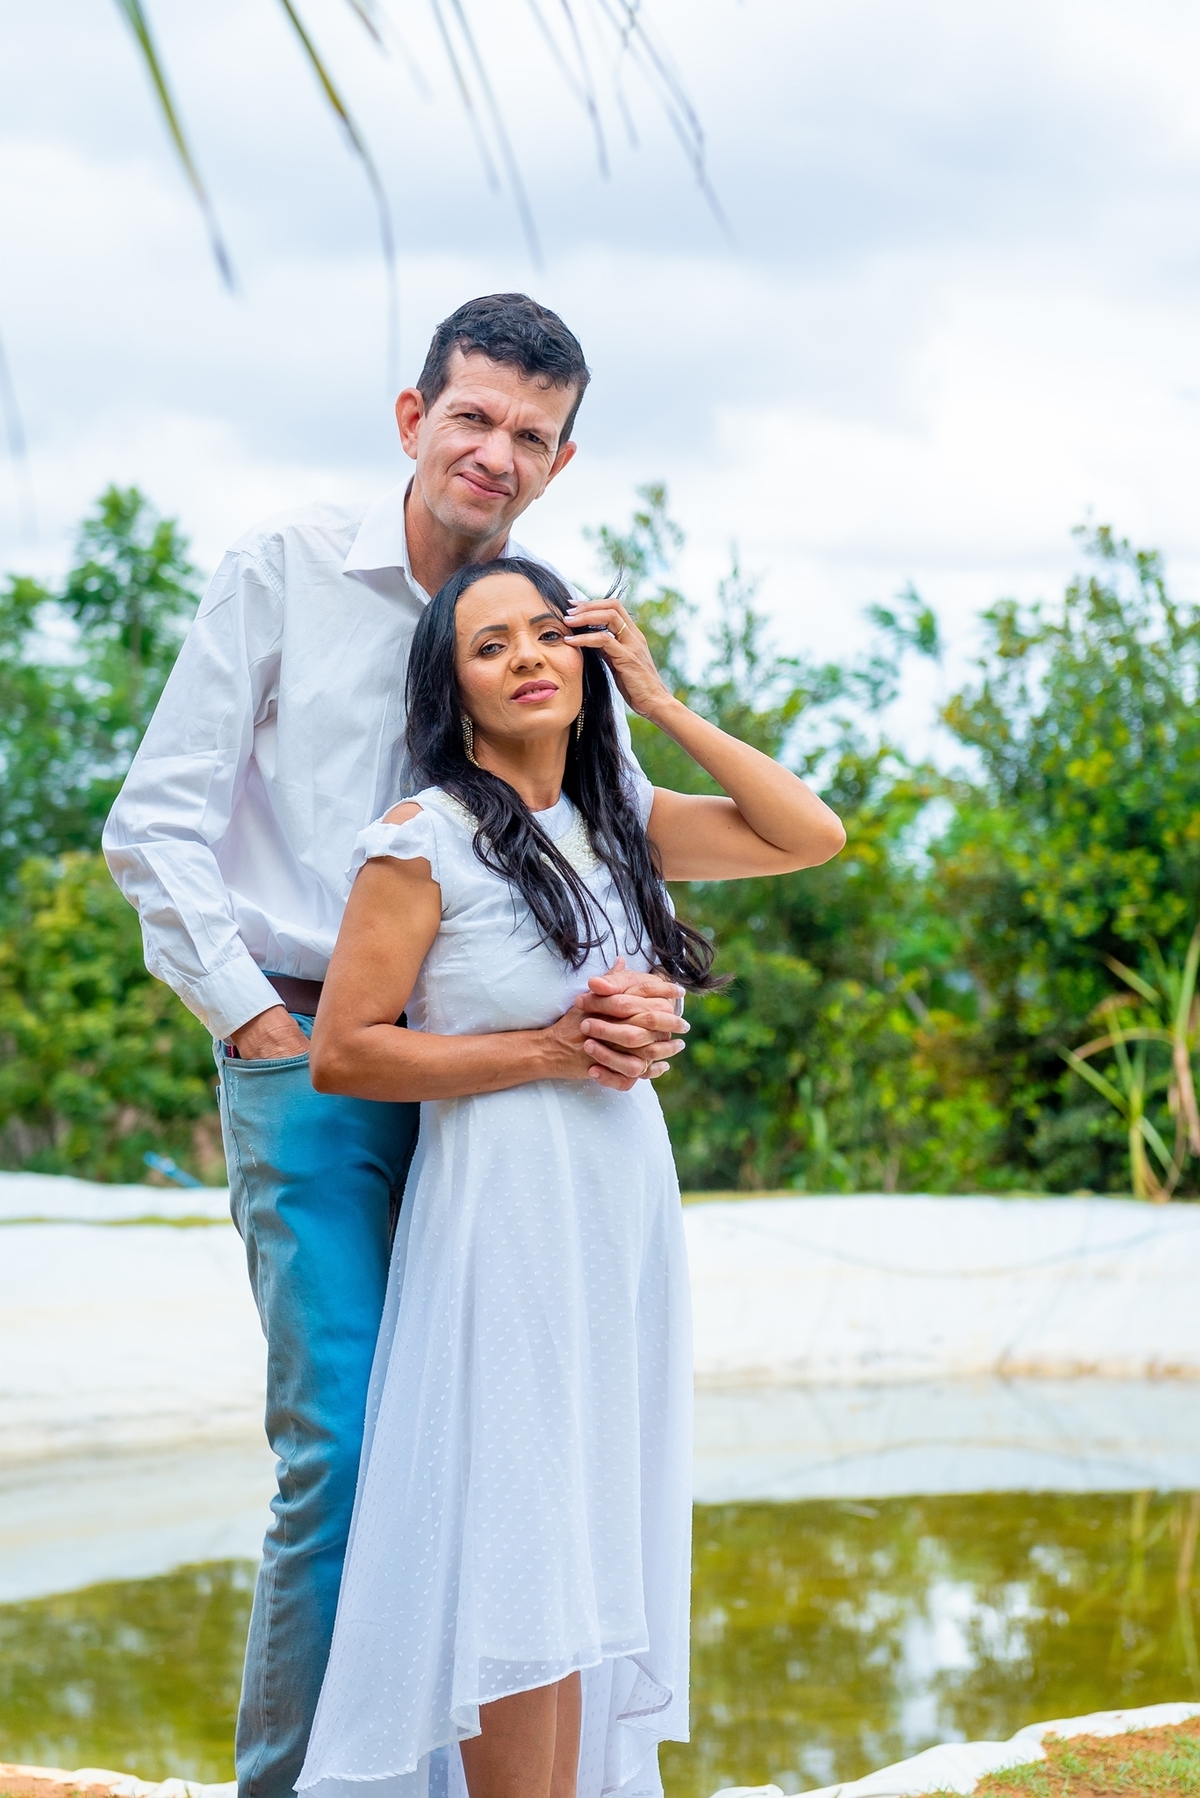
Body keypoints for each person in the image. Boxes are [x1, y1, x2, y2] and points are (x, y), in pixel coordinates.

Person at [102, 295, 687, 1798]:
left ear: (560, 463)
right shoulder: (283, 569)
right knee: (350, 1454)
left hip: (507, 1099)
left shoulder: (546, 621)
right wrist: (255, 1017)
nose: (496, 453)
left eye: (532, 436)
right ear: (412, 415)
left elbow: (609, 846)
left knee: (504, 1464)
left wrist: (637, 1005)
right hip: (314, 1054)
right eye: (475, 416)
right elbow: (155, 819)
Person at [292, 560, 846, 1798]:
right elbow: (345, 1050)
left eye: (551, 631)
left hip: (618, 1213)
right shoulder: (420, 839)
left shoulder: (620, 819)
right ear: (454, 690)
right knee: (519, 1539)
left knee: (586, 1530)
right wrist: (550, 1047)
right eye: (490, 647)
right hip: (506, 1214)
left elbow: (810, 835)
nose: (529, 657)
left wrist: (657, 700)